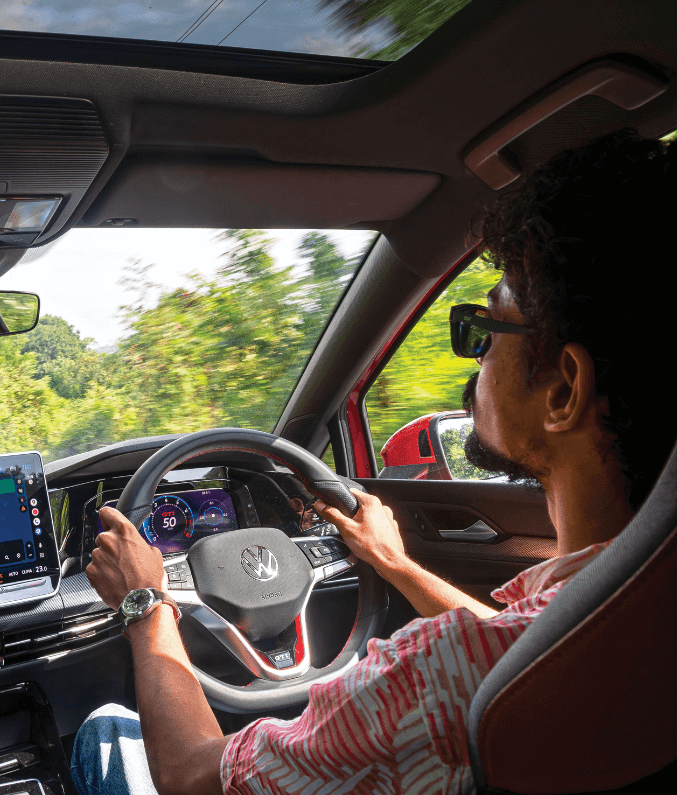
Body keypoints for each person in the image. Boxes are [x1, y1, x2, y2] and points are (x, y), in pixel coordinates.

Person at [72, 129, 677, 795]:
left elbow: (190, 775)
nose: (475, 357)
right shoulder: (625, 626)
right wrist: (394, 563)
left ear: (564, 389)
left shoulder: (426, 676)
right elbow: (522, 651)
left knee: (106, 726)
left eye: (489, 328)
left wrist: (147, 599)